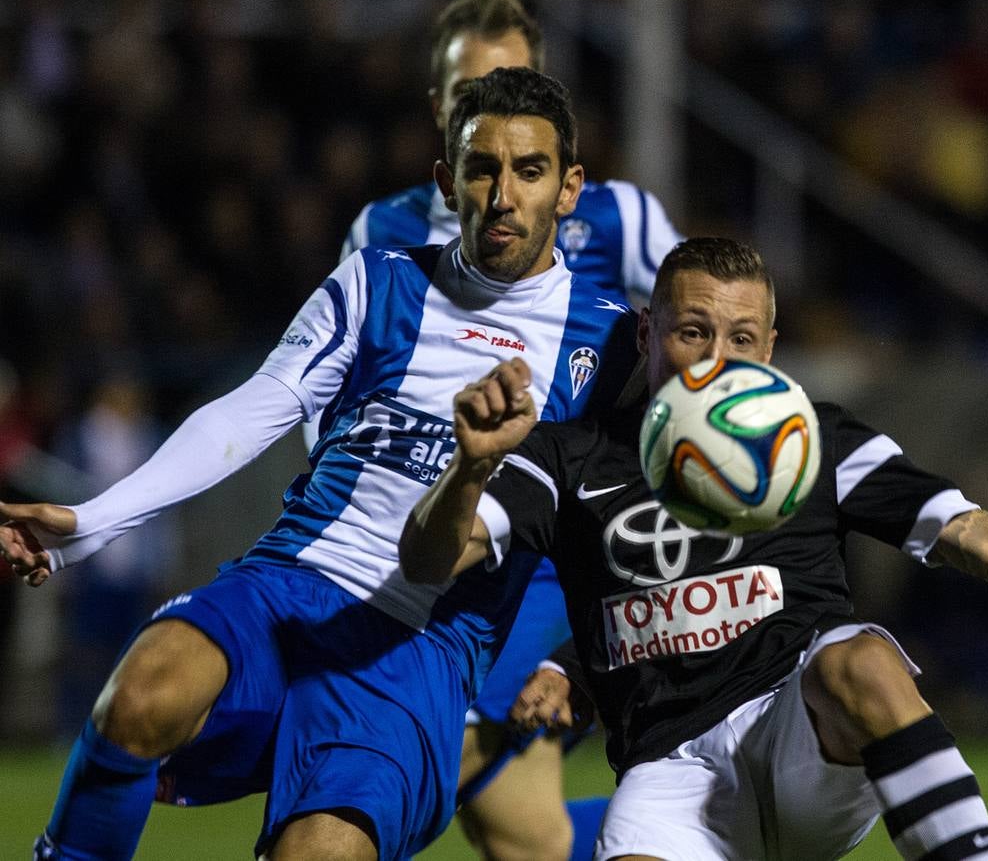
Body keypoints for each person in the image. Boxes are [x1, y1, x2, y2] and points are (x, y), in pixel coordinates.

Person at [399, 236, 988, 861]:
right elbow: (433, 558)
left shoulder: (814, 439)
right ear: (648, 332)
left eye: (743, 338)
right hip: (670, 769)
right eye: (692, 332)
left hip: (800, 735)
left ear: (770, 346)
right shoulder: (570, 457)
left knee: (862, 661)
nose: (717, 361)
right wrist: (471, 468)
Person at [1, 67, 638, 861]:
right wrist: (89, 523)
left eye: (530, 170)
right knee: (138, 697)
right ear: (448, 180)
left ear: (570, 188)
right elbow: (250, 410)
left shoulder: (611, 349)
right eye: (481, 168)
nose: (503, 194)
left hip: (419, 642)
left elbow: (630, 524)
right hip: (291, 580)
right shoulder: (379, 281)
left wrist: (576, 665)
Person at [338, 0, 681, 860]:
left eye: (516, 91)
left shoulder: (617, 215)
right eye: (469, 98)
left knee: (416, 755)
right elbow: (341, 396)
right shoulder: (383, 233)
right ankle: (721, 833)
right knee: (518, 834)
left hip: (544, 559)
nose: (494, 113)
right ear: (441, 112)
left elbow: (703, 328)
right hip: (426, 536)